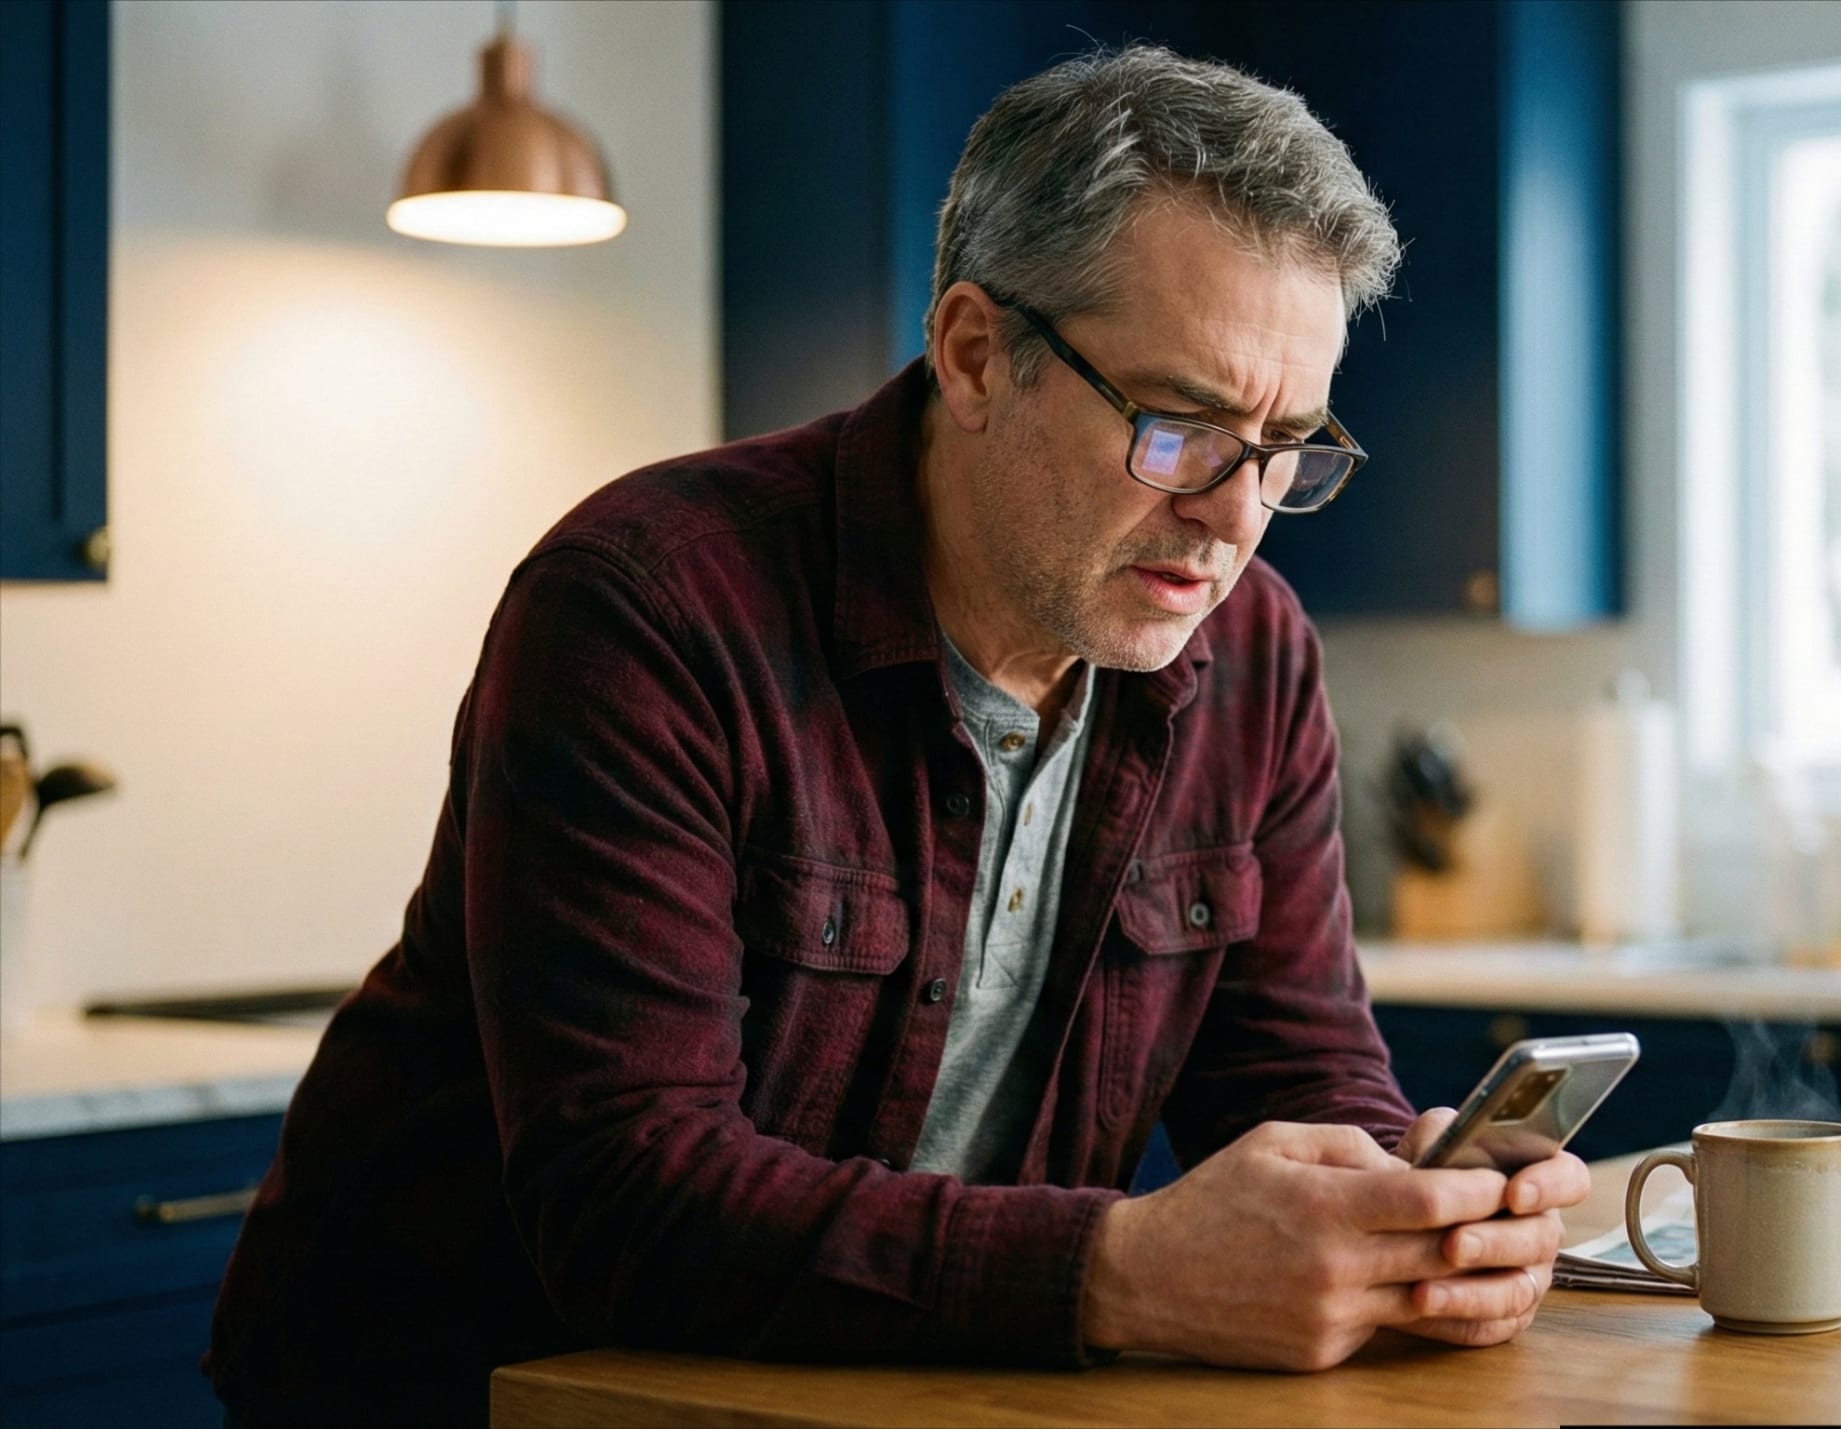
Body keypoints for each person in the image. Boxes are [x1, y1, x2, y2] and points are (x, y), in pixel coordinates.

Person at [207, 43, 1587, 1426]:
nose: (1235, 513)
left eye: (1287, 442)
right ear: (978, 354)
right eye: (1179, 425)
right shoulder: (648, 606)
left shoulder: (1256, 650)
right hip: (466, 1387)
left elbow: (1297, 1075)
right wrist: (1126, 1270)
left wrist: (1421, 1212)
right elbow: (628, 1195)